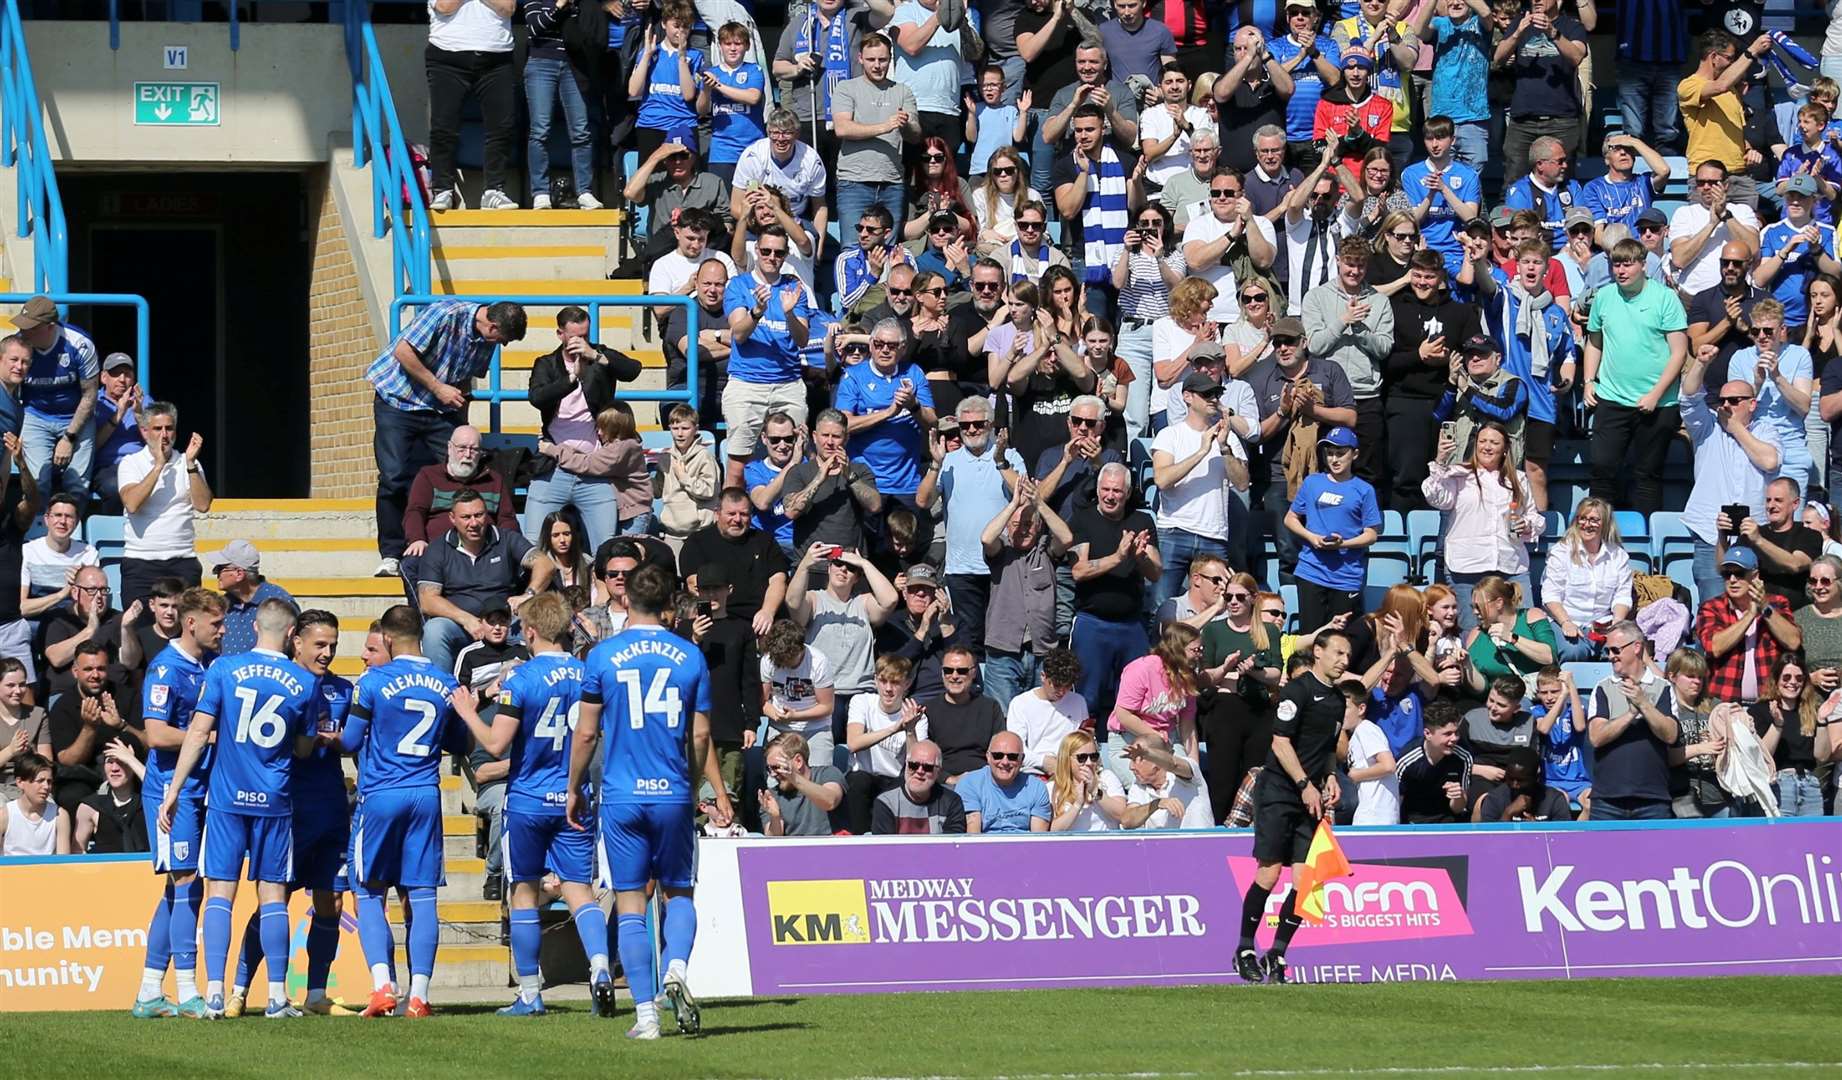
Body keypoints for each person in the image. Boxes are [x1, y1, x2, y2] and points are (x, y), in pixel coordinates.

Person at [572, 565, 726, 1037]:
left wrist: (575, 786)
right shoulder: (689, 656)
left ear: (624, 601)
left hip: (621, 794)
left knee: (631, 901)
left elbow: (586, 732)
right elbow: (700, 734)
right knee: (680, 891)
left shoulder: (603, 655)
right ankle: (676, 968)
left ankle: (645, 1016)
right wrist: (694, 782)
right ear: (669, 604)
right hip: (672, 792)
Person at [445, 593, 613, 1015]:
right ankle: (599, 968)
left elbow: (496, 743)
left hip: (528, 797)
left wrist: (467, 711)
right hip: (573, 795)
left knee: (522, 892)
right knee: (579, 890)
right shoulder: (589, 674)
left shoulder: (521, 678)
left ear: (531, 632)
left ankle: (530, 994)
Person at [155, 599, 315, 1019]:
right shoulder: (303, 682)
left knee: (220, 894)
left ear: (257, 626)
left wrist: (172, 790)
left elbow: (197, 732)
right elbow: (302, 747)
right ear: (292, 633)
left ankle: (212, 993)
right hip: (275, 802)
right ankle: (278, 997)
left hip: (227, 799)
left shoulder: (224, 669)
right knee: (274, 896)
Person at [337, 606, 462, 1018]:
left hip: (381, 793)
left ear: (388, 639)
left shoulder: (373, 681)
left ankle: (382, 987)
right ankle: (421, 995)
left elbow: (351, 740)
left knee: (368, 891)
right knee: (422, 895)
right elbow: (459, 742)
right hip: (425, 794)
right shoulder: (445, 682)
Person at [366, 299, 527, 577]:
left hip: (440, 409)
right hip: (398, 400)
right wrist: (438, 387)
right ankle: (392, 553)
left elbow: (465, 381)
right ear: (492, 325)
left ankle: (455, 546)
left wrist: (461, 424)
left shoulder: (485, 340)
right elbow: (403, 352)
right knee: (393, 477)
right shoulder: (444, 314)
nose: (503, 345)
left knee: (464, 470)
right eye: (503, 338)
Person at [1233, 626, 1348, 984]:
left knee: (1304, 880)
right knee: (1269, 873)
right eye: (1338, 654)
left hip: (1310, 795)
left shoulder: (1338, 700)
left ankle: (1278, 953)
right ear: (1319, 652)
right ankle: (1245, 948)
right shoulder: (1297, 692)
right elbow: (1281, 743)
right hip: (1281, 791)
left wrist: (1329, 777)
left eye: (1347, 656)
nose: (1344, 661)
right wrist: (1302, 784)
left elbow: (1327, 748)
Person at [129, 588, 223, 1019]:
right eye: (216, 623)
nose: (222, 630)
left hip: (200, 787)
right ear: (191, 623)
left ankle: (150, 990)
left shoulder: (206, 665)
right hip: (172, 790)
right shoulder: (166, 669)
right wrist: (206, 736)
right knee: (187, 886)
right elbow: (156, 734)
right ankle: (187, 990)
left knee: (179, 887)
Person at [1583, 239, 1690, 515]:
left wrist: (1655, 394)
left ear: (1643, 265)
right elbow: (1594, 342)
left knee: (1647, 475)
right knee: (1602, 469)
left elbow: (1679, 353)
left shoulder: (1665, 298)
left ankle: (1646, 543)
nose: (1621, 270)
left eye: (1628, 264)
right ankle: (1598, 535)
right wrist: (1588, 382)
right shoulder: (1604, 297)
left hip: (1657, 403)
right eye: (1616, 264)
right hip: (1612, 398)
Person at [1679, 338, 1782, 602]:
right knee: (1713, 609)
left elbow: (1769, 461)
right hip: (1710, 534)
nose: (1725, 406)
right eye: (1722, 400)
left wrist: (1736, 428)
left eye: (1734, 401)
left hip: (1754, 533)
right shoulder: (1707, 426)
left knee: (1755, 608)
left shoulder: (1765, 430)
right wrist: (1701, 363)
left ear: (1752, 404)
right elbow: (1689, 396)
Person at [1068, 463, 1160, 731]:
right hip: (1092, 622)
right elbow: (1079, 571)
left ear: (1128, 493)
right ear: (1097, 490)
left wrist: (1140, 557)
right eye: (1105, 489)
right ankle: (1084, 754)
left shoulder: (1142, 521)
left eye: (1117, 491)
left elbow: (1155, 573)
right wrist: (1118, 557)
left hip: (1131, 624)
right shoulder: (1083, 518)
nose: (1110, 496)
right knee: (1087, 698)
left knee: (1135, 698)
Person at [723, 226, 816, 489]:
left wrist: (788, 314)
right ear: (756, 250)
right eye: (766, 251)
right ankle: (735, 521)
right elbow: (739, 334)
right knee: (737, 465)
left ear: (786, 255)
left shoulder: (794, 286)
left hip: (787, 383)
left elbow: (802, 340)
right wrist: (756, 312)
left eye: (778, 252)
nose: (772, 257)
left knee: (796, 458)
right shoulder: (739, 285)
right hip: (746, 382)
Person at [1424, 422, 1542, 626]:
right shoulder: (1458, 474)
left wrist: (1527, 524)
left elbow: (1534, 517)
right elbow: (1436, 498)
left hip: (1510, 564)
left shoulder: (1519, 479)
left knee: (1524, 627)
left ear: (1505, 449)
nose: (1487, 447)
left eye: (1494, 442)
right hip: (1467, 566)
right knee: (1472, 633)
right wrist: (1440, 461)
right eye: (1483, 441)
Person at [415, 489, 539, 675]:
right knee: (434, 631)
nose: (473, 523)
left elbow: (544, 563)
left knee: (536, 625)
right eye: (466, 517)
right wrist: (467, 620)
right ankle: (442, 692)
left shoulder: (505, 539)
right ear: (452, 518)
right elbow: (427, 599)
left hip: (505, 621)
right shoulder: (437, 549)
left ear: (487, 515)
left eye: (479, 515)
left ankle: (538, 688)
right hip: (460, 625)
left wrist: (529, 594)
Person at [1303, 237, 1394, 483]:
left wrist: (1360, 329)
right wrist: (1343, 320)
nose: (1355, 271)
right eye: (1349, 264)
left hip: (1366, 397)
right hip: (1328, 399)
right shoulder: (1316, 297)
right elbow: (1315, 345)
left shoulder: (1379, 301)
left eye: (1361, 265)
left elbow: (1385, 348)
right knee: (1325, 471)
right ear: (1338, 261)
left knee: (1368, 473)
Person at [1151, 372, 1240, 606]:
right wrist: (1201, 452)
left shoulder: (1228, 438)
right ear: (1187, 397)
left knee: (1216, 608)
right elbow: (1161, 480)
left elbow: (1241, 482)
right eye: (1206, 394)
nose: (1213, 398)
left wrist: (1224, 448)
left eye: (1217, 393)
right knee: (1162, 606)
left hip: (1214, 535)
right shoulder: (1169, 435)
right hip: (1174, 530)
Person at [423, 0, 516, 208]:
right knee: (443, 127)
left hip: (497, 58)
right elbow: (445, 6)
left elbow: (508, 7)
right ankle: (443, 189)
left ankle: (494, 190)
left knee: (502, 127)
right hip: (447, 56)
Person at [117, 402, 211, 606]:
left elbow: (203, 505)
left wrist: (191, 465)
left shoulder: (188, 462)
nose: (164, 435)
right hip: (141, 561)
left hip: (182, 559)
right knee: (138, 629)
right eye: (157, 429)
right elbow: (132, 504)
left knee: (187, 627)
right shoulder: (131, 462)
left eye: (169, 428)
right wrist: (159, 465)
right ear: (145, 432)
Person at [1285, 427, 1380, 627]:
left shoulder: (1364, 490)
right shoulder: (1312, 482)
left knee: (1341, 640)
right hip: (1311, 570)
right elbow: (1291, 518)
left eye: (1340, 453)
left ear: (1354, 454)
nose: (1334, 459)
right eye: (1330, 453)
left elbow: (1371, 534)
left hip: (1347, 575)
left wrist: (1343, 543)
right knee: (1310, 637)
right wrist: (1311, 537)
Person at [8, 296, 99, 504]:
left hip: (75, 415)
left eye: (31, 328)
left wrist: (69, 438)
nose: (24, 332)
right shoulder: (20, 346)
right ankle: (38, 532)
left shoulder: (79, 345)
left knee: (77, 485)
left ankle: (70, 533)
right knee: (37, 483)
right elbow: (9, 389)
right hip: (35, 414)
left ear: (50, 327)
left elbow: (90, 394)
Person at [1585, 620, 1679, 820]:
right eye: (1608, 650)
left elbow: (1670, 735)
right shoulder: (1603, 688)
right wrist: (1630, 714)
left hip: (1653, 800)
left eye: (1615, 650)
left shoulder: (1663, 688)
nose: (1611, 656)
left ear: (1637, 647)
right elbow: (1596, 737)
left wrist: (1643, 704)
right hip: (1607, 800)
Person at [401, 426, 519, 578]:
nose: (468, 455)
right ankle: (423, 603)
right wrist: (417, 539)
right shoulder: (428, 476)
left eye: (474, 449)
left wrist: (505, 548)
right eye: (462, 448)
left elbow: (507, 519)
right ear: (450, 448)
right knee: (411, 564)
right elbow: (415, 512)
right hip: (438, 553)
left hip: (484, 553)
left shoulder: (494, 480)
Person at [1494, 0, 1587, 184]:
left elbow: (1576, 57)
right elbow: (1498, 58)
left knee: (1562, 183)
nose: (1536, 0)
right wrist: (1518, 32)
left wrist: (1553, 32)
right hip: (1523, 120)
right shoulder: (1520, 23)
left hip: (1561, 121)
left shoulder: (1572, 26)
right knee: (1514, 181)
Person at [679, 488, 790, 638]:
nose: (737, 520)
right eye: (731, 514)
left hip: (762, 621)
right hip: (719, 621)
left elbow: (778, 580)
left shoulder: (764, 541)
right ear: (717, 513)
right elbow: (694, 585)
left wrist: (767, 612)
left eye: (743, 514)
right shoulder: (697, 543)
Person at [1698, 547, 1801, 705]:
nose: (1732, 580)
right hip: (1724, 702)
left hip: (1769, 702)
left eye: (1739, 573)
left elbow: (1793, 641)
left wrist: (1765, 608)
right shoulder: (1712, 607)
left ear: (1755, 576)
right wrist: (1751, 614)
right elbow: (1714, 647)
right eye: (1727, 574)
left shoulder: (1777, 604)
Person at [1541, 497, 1635, 661]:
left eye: (1594, 520)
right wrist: (1566, 622)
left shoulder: (1618, 555)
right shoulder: (1561, 552)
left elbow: (1622, 596)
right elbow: (1551, 595)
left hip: (1603, 623)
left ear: (1605, 523)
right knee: (1573, 652)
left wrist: (1616, 623)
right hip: (1567, 620)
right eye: (1582, 518)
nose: (1587, 524)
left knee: (1622, 651)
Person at [1728, 477, 1825, 609]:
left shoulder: (1808, 534)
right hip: (1754, 615)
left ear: (1795, 504)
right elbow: (1723, 567)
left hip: (1793, 615)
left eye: (1778, 500)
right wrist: (1722, 537)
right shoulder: (1750, 535)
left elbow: (1795, 564)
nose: (1771, 506)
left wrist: (1759, 540)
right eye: (1768, 500)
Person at [17, 490, 98, 622]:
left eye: (69, 516)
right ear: (47, 519)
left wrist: (81, 582)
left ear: (76, 522)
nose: (62, 521)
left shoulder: (88, 553)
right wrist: (61, 594)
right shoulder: (28, 551)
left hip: (71, 622)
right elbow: (21, 608)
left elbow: (92, 607)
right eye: (58, 515)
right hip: (35, 622)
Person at [207, 541, 295, 657]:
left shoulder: (279, 601)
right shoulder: (224, 604)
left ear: (239, 573)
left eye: (220, 569)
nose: (216, 574)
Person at [956, 730, 1051, 832]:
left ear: (1022, 759)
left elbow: (1038, 839)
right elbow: (973, 838)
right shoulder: (970, 784)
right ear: (988, 756)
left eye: (1012, 757)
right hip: (985, 846)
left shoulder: (1037, 788)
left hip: (1024, 847)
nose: (1005, 762)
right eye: (998, 755)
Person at [1394, 703, 1471, 823]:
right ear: (1427, 734)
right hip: (1413, 820)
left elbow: (1458, 809)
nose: (1454, 738)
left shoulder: (1463, 758)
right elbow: (1396, 803)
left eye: (1456, 733)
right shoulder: (1407, 762)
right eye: (1447, 734)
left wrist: (1458, 796)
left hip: (1448, 820)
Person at [872, 737, 967, 832]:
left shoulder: (951, 802)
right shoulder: (886, 802)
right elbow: (884, 846)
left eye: (927, 767)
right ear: (906, 765)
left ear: (938, 772)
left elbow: (953, 844)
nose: (919, 771)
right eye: (913, 765)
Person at [760, 732, 847, 835]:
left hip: (834, 848)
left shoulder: (827, 774)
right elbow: (772, 841)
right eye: (768, 769)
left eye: (776, 767)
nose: (772, 774)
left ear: (798, 761)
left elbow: (830, 801)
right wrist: (775, 817)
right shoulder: (773, 796)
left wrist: (795, 778)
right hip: (794, 849)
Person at [1119, 733, 1212, 828]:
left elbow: (1173, 764)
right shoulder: (1139, 784)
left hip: (1199, 841)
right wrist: (1156, 804)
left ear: (1155, 761)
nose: (1131, 767)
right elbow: (1126, 822)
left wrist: (1148, 754)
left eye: (1136, 760)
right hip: (1162, 843)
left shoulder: (1189, 771)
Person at [1341, 679, 1399, 825]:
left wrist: (1354, 775)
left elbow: (1388, 766)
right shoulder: (1357, 734)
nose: (1339, 712)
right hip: (1369, 812)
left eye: (1345, 708)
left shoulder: (1366, 729)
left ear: (1361, 709)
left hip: (1376, 816)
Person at [73, 741, 146, 854]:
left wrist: (131, 760)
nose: (114, 768)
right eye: (110, 762)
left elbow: (160, 790)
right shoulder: (90, 807)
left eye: (121, 761)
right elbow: (77, 852)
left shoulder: (149, 802)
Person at [0, 753, 66, 855]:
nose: (46, 786)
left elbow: (64, 861)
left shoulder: (60, 816)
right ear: (20, 782)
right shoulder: (4, 815)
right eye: (40, 781)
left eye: (49, 781)